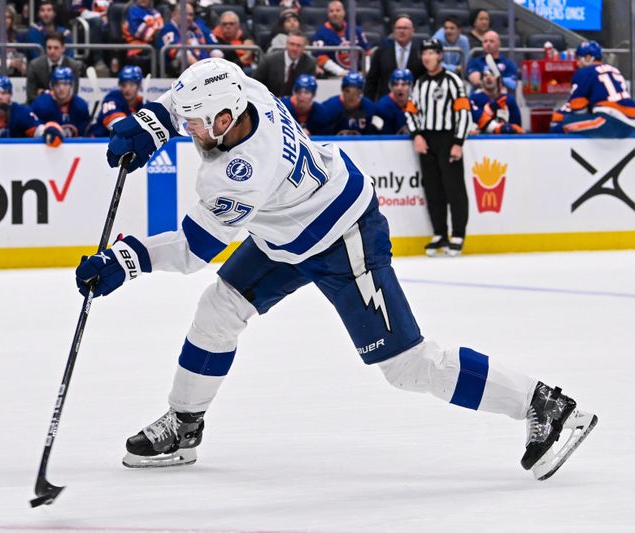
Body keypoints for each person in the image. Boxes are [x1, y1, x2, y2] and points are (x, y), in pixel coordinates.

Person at [76, 57, 597, 482]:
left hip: (342, 233)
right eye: (186, 121)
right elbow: (189, 97)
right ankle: (185, 424)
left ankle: (545, 404)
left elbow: (193, 249)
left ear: (224, 122)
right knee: (219, 309)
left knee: (408, 367)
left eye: (193, 124)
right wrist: (151, 123)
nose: (187, 130)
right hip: (287, 231)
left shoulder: (240, 172)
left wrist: (125, 259)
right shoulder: (245, 91)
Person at [405, 39, 470, 257]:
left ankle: (458, 234)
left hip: (448, 138)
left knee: (454, 189)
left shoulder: (453, 81)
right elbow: (410, 111)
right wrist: (417, 135)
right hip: (427, 141)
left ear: (440, 56)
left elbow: (463, 112)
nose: (427, 57)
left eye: (432, 52)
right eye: (424, 53)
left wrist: (458, 142)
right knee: (433, 190)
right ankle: (440, 233)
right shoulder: (420, 83)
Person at [549, 40, 635, 138]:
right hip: (632, 120)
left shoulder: (584, 72)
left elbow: (578, 108)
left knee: (560, 125)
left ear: (588, 58)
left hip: (610, 120)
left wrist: (560, 116)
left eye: (578, 58)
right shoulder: (614, 70)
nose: (577, 63)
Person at [0, 74, 63, 147]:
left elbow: (38, 130)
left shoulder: (22, 112)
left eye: (4, 93)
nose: (0, 97)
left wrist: (49, 130)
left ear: (10, 95)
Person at [364, 14, 424, 101]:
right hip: (386, 105)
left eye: (405, 28)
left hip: (413, 105)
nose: (402, 31)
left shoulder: (421, 55)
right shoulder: (380, 53)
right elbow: (371, 82)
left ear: (413, 31)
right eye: (399, 28)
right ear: (393, 30)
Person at [311, 0, 369, 78]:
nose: (335, 13)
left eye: (338, 10)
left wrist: (367, 71)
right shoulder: (321, 33)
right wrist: (340, 72)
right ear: (328, 14)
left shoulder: (356, 30)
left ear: (344, 12)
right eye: (331, 11)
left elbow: (367, 52)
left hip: (357, 74)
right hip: (332, 77)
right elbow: (321, 58)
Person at [252, 30, 316, 98]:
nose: (294, 48)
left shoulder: (310, 63)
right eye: (292, 44)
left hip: (296, 104)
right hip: (269, 101)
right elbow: (256, 84)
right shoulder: (269, 60)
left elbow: (309, 91)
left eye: (299, 45)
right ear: (286, 45)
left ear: (304, 48)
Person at [158, 1, 214, 78]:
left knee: (216, 53)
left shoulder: (195, 28)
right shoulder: (168, 28)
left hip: (201, 61)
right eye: (184, 14)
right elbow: (173, 51)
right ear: (174, 14)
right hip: (178, 67)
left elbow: (212, 44)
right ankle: (204, 75)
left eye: (191, 15)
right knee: (184, 52)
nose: (188, 17)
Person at [31, 66, 90, 138]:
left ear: (71, 86)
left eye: (65, 84)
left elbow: (84, 135)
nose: (61, 88)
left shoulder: (80, 106)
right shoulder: (41, 105)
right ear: (52, 86)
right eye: (57, 84)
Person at [26, 31, 82, 104]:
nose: (52, 51)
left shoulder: (73, 66)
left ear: (63, 48)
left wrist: (44, 93)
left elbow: (72, 95)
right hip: (41, 109)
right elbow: (31, 96)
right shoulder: (34, 65)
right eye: (49, 48)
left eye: (56, 48)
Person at [90, 65, 143, 138]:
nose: (127, 89)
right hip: (100, 141)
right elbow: (118, 126)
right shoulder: (112, 98)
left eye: (132, 84)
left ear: (139, 86)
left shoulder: (142, 104)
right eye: (124, 85)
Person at [470, 63, 523, 135]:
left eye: (492, 75)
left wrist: (508, 128)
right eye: (485, 75)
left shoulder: (509, 100)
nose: (488, 77)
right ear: (481, 81)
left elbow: (517, 127)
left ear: (499, 80)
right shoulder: (474, 99)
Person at [319, 71, 377, 135]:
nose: (351, 96)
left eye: (356, 91)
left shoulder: (369, 108)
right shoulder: (328, 108)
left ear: (361, 92)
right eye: (347, 91)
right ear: (342, 90)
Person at [122, 0, 164, 74]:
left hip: (153, 44)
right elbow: (138, 32)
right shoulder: (133, 11)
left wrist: (149, 26)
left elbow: (161, 26)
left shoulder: (154, 12)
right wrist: (153, 27)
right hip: (137, 47)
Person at [211, 10, 255, 75]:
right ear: (220, 26)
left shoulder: (245, 37)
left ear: (238, 26)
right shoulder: (215, 39)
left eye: (231, 24)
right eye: (224, 24)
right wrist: (245, 56)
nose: (228, 27)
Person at [373, 68, 414, 135]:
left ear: (411, 86)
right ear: (390, 86)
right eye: (395, 84)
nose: (399, 88)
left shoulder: (414, 105)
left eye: (404, 84)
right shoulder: (383, 107)